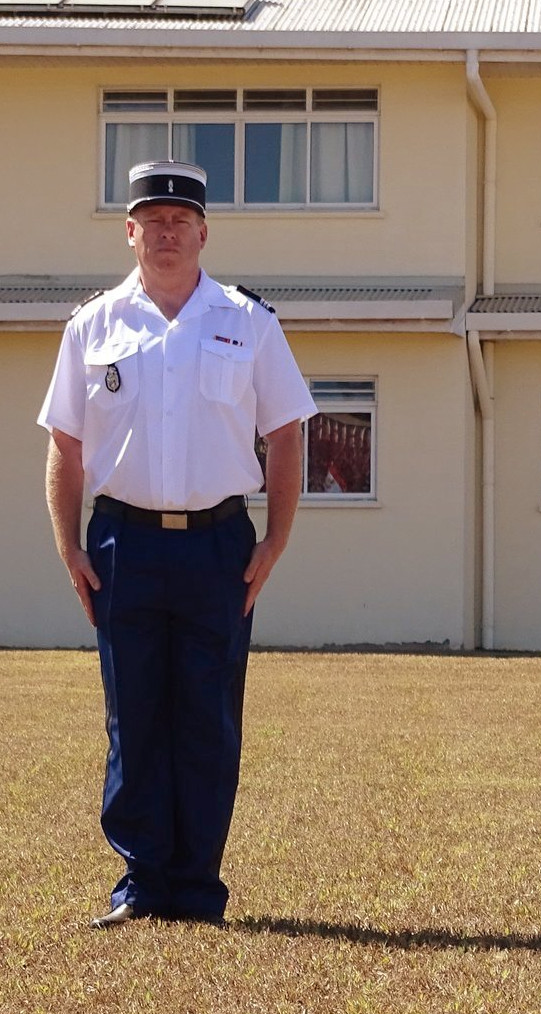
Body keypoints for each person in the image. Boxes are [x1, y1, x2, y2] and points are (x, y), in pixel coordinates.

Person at [38, 160, 317, 928]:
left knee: (207, 716)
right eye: (150, 220)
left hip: (217, 547)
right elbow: (64, 442)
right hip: (123, 543)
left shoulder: (247, 322)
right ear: (128, 232)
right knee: (133, 715)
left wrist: (277, 539)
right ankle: (141, 883)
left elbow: (288, 430)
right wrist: (70, 549)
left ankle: (196, 888)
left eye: (179, 221)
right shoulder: (92, 326)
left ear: (203, 232)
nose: (165, 233)